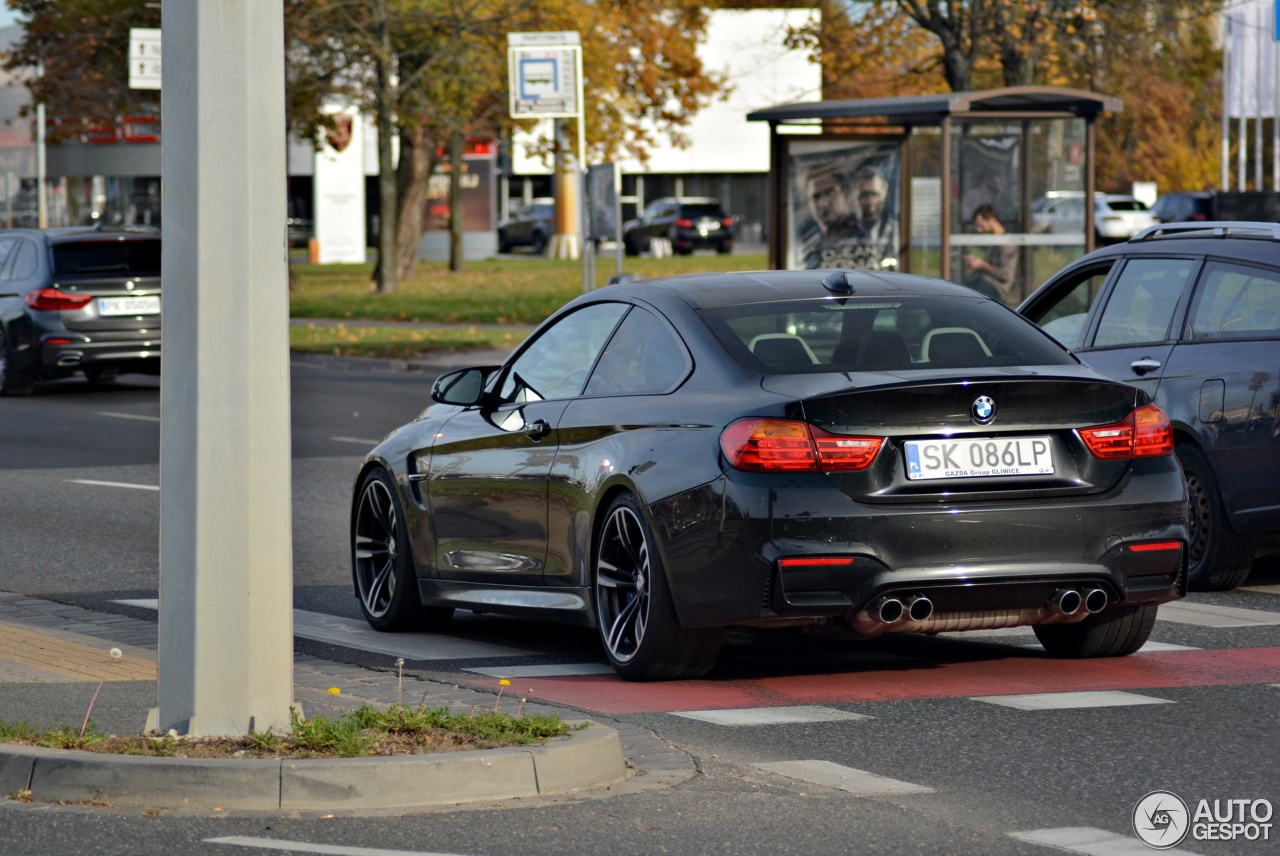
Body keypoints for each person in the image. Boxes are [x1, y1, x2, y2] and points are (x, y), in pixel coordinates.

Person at [799, 162, 866, 269]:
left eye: (830, 193)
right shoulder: (810, 243)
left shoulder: (862, 239)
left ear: (845, 193)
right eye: (816, 197)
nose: (823, 203)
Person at [962, 204, 1019, 302]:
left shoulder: (1007, 244)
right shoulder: (992, 240)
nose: (979, 230)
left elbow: (1006, 275)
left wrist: (982, 265)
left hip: (996, 289)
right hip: (983, 283)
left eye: (981, 226)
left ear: (992, 221)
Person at [853, 164, 899, 269]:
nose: (870, 202)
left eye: (874, 195)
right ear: (854, 198)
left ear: (884, 195)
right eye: (864, 195)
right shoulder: (844, 231)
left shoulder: (895, 231)